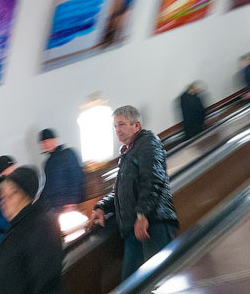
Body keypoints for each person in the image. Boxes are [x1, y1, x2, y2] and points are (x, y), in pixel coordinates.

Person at [89, 106, 178, 280]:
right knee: (131, 288)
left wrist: (142, 215)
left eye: (121, 124)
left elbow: (153, 180)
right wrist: (101, 206)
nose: (117, 130)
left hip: (153, 224)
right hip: (134, 228)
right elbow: (121, 192)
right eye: (115, 126)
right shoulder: (127, 153)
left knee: (159, 281)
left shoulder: (148, 143)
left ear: (136, 125)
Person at [0, 166, 66, 294]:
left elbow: (48, 292)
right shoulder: (18, 226)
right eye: (3, 196)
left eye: (12, 194)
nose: (4, 202)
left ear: (27, 196)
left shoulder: (40, 229)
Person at [38, 129, 84, 213]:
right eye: (43, 142)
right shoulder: (47, 163)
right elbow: (46, 186)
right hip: (55, 208)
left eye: (48, 140)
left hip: (69, 205)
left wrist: (72, 201)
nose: (45, 144)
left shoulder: (68, 154)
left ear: (55, 140)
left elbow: (76, 177)